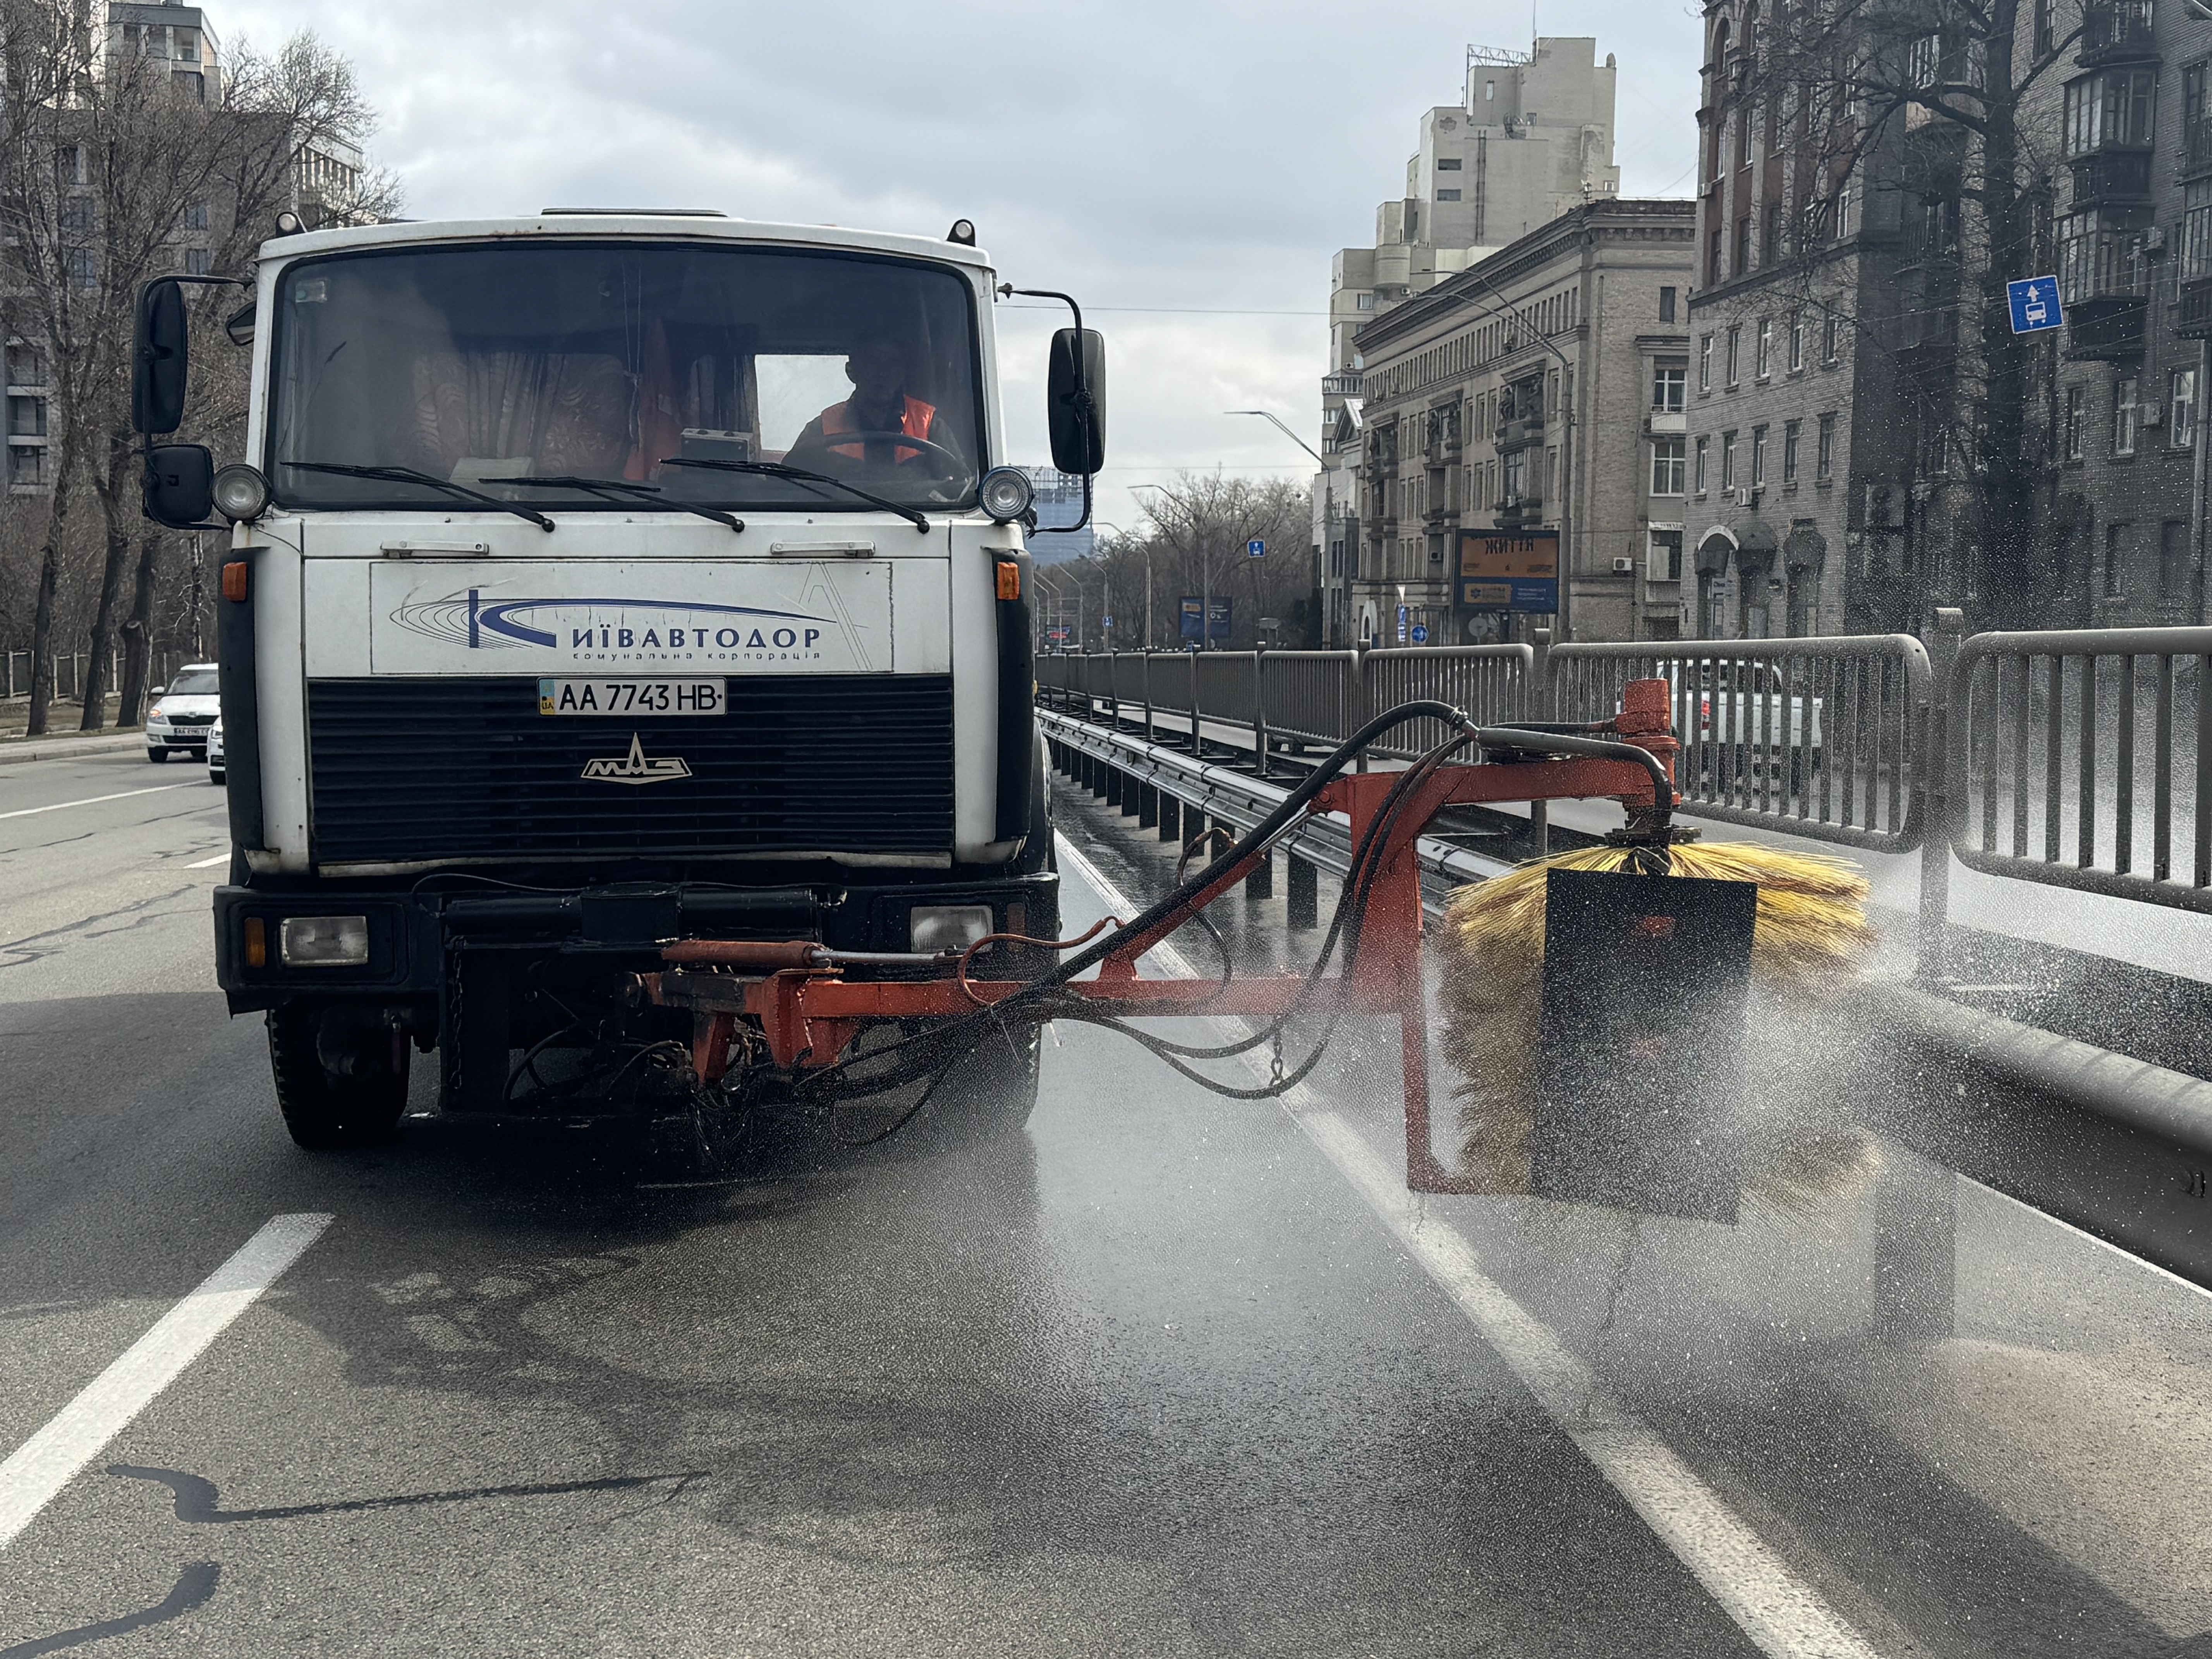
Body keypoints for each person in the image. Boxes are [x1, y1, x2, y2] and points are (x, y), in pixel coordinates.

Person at [783, 339, 941, 469]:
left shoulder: (929, 423)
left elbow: (960, 485)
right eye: (872, 362)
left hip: (916, 509)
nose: (882, 372)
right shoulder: (823, 427)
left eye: (892, 363)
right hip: (839, 508)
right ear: (851, 371)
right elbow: (787, 485)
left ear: (903, 373)